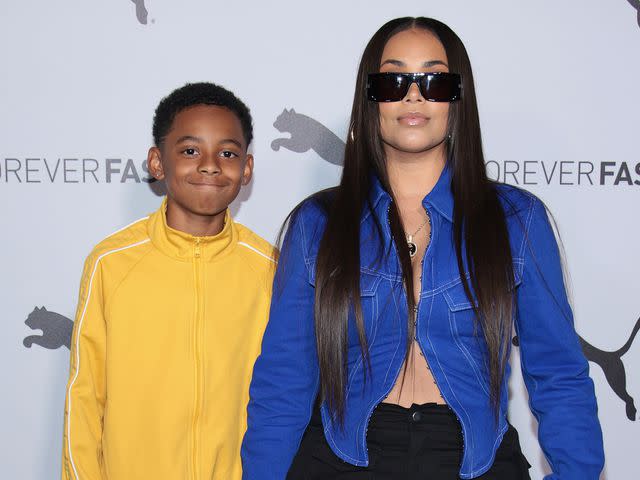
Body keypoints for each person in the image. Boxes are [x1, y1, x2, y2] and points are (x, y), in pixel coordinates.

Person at [241, 17, 604, 480]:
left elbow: (559, 375)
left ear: (458, 97)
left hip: (474, 462)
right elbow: (283, 382)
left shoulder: (517, 219)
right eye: (393, 80)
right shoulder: (317, 224)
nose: (413, 95)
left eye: (434, 80)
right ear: (370, 97)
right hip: (341, 460)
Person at [61, 82, 277, 480]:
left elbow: (283, 396)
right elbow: (85, 398)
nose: (210, 165)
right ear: (157, 163)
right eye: (190, 151)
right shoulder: (111, 264)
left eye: (227, 153)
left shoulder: (269, 268)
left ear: (246, 168)